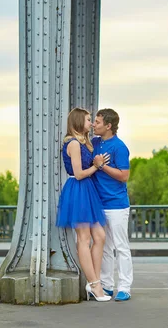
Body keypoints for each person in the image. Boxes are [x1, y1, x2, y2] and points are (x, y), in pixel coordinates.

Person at [56, 107, 111, 302]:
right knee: (84, 238)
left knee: (100, 236)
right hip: (78, 189)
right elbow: (78, 174)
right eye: (89, 120)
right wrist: (96, 166)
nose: (92, 123)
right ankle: (95, 285)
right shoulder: (73, 144)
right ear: (80, 122)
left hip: (86, 190)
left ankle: (94, 282)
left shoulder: (84, 143)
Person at [91, 108, 133, 301]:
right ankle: (107, 285)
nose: (94, 124)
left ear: (108, 126)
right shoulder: (95, 143)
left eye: (98, 122)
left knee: (121, 246)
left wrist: (102, 166)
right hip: (99, 204)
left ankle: (125, 287)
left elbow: (124, 176)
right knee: (105, 247)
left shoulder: (119, 147)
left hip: (117, 205)